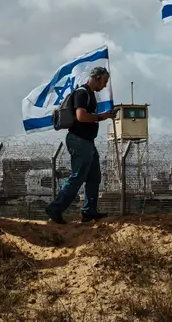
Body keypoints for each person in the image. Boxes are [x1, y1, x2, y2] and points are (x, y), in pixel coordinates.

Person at [46, 66, 117, 225]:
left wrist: (104, 116)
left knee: (94, 177)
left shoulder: (90, 95)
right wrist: (101, 117)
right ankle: (55, 208)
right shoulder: (82, 93)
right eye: (104, 81)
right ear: (97, 78)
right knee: (78, 176)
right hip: (79, 140)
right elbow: (81, 116)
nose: (105, 85)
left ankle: (89, 211)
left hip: (87, 142)